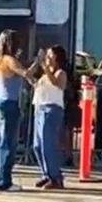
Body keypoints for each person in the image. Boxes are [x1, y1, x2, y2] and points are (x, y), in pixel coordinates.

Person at [0, 30, 31, 192]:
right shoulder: (9, 60)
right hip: (9, 102)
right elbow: (26, 74)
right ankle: (4, 181)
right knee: (8, 143)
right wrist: (38, 62)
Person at [32, 46, 68, 189]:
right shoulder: (44, 75)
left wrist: (45, 68)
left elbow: (57, 83)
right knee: (37, 145)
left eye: (50, 54)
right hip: (39, 108)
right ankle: (46, 174)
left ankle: (56, 177)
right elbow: (36, 85)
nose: (47, 57)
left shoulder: (61, 73)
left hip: (51, 109)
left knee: (49, 145)